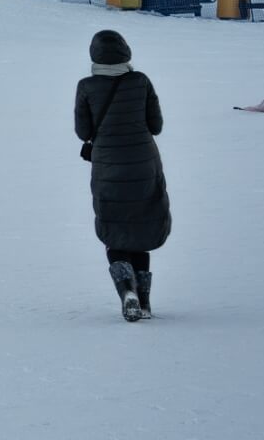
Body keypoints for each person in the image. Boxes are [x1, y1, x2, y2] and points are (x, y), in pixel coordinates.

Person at [75, 29, 169, 322]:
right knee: (140, 231)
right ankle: (144, 302)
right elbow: (156, 125)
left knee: (116, 231)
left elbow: (83, 131)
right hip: (144, 165)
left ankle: (126, 290)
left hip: (108, 167)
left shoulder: (86, 86)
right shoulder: (140, 81)